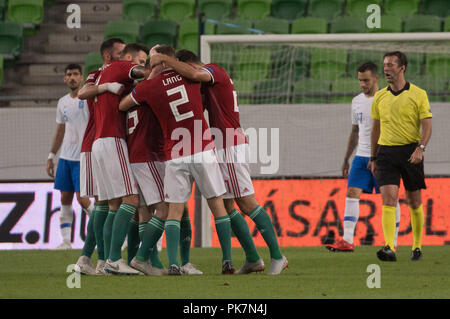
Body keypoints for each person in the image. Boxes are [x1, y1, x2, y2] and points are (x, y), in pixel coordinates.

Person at [148, 48, 288, 275]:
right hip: (219, 144)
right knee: (229, 205)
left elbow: (193, 76)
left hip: (229, 143)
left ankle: (277, 256)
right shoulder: (207, 82)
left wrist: (166, 60)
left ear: (189, 64)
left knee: (247, 202)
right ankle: (252, 258)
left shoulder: (213, 71)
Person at [119, 45, 234, 276]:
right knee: (217, 205)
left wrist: (149, 81)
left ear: (159, 62)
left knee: (174, 210)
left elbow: (122, 105)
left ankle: (173, 263)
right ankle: (227, 261)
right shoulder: (188, 74)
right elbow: (195, 74)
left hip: (175, 154)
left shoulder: (148, 87)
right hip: (202, 147)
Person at [82, 43, 150, 274]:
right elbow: (139, 73)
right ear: (129, 57)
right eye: (140, 60)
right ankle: (113, 259)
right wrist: (157, 73)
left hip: (99, 141)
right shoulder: (123, 66)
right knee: (131, 199)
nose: (141, 65)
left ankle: (104, 262)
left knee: (113, 205)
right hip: (113, 139)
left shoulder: (102, 73)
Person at [325, 62, 401, 252]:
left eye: (366, 80)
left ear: (376, 78)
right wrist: (346, 159)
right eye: (360, 80)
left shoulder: (387, 98)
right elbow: (355, 131)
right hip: (361, 155)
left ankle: (393, 242)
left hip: (383, 155)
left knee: (389, 198)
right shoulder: (356, 101)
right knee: (351, 193)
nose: (363, 84)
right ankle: (347, 240)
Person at [369, 51, 432, 262]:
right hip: (386, 153)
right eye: (384, 65)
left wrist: (420, 148)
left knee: (414, 201)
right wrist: (373, 157)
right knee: (389, 199)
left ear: (402, 68)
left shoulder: (418, 94)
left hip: (410, 152)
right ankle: (389, 246)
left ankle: (416, 246)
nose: (386, 69)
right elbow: (375, 129)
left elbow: (427, 126)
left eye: (390, 65)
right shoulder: (380, 96)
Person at [74, 38, 126, 275]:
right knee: (106, 202)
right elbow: (83, 93)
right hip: (98, 142)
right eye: (121, 52)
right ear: (108, 56)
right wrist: (106, 88)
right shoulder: (98, 75)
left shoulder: (111, 75)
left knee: (103, 203)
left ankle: (89, 258)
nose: (126, 57)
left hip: (98, 143)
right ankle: (102, 260)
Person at [46, 64, 93, 250]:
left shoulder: (89, 99)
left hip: (83, 156)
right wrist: (51, 155)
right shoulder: (62, 102)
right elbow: (60, 129)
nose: (72, 77)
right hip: (65, 157)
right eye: (68, 75)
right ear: (64, 79)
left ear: (82, 77)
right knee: (65, 198)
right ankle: (65, 242)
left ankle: (107, 231)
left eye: (75, 74)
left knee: (82, 199)